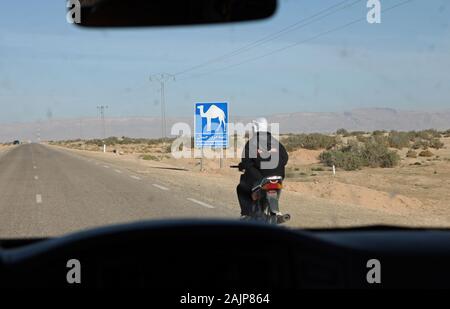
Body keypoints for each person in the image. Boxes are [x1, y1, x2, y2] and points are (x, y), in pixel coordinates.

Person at [236, 117, 289, 219]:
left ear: (255, 128)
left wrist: (243, 166)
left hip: (261, 178)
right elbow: (285, 158)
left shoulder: (252, 143)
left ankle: (246, 213)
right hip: (278, 177)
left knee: (241, 187)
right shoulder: (276, 142)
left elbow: (246, 163)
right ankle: (274, 211)